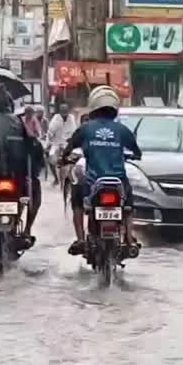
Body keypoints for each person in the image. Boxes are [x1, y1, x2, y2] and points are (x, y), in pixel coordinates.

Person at [61, 86, 141, 255]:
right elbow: (137, 152)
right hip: (118, 181)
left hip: (93, 181)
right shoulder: (122, 129)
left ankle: (81, 239)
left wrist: (64, 158)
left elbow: (68, 149)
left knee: (77, 198)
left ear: (94, 107)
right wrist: (130, 156)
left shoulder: (85, 128)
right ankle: (129, 237)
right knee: (128, 205)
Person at [0, 83, 44, 243]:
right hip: (16, 174)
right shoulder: (18, 122)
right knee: (34, 192)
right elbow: (33, 145)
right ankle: (27, 230)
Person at [46, 102, 77, 185]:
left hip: (67, 143)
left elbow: (73, 131)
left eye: (65, 109)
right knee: (51, 158)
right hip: (56, 143)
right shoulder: (56, 118)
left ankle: (70, 177)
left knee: (74, 158)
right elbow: (50, 131)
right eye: (62, 109)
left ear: (68, 110)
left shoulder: (72, 118)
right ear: (60, 110)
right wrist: (49, 143)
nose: (64, 111)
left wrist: (70, 141)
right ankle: (56, 178)